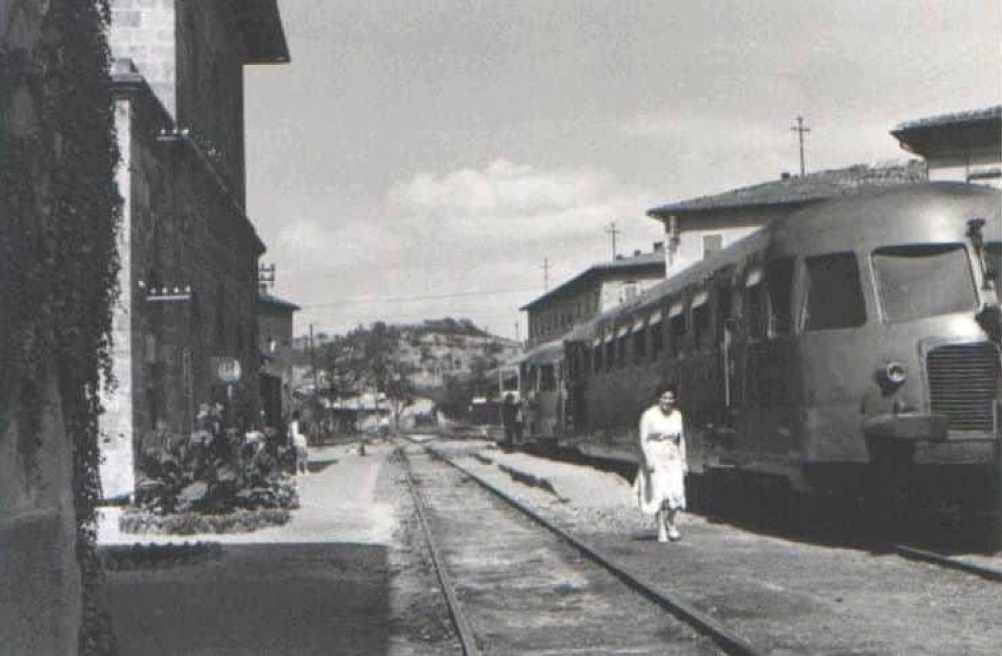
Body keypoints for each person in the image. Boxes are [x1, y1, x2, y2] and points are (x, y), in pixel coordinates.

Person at [633, 387, 688, 542]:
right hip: (655, 456)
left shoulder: (677, 415)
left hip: (673, 455)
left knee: (677, 491)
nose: (667, 401)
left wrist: (684, 461)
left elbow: (681, 439)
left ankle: (670, 521)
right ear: (658, 398)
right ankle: (661, 528)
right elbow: (643, 439)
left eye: (670, 398)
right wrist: (648, 460)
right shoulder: (648, 415)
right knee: (660, 493)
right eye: (664, 397)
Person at [289, 411, 309, 475]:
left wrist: (290, 442)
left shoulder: (291, 424)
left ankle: (298, 470)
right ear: (299, 416)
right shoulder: (301, 422)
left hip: (295, 440)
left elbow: (290, 434)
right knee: (305, 455)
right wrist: (306, 440)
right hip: (302, 439)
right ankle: (305, 470)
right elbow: (305, 432)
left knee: (298, 456)